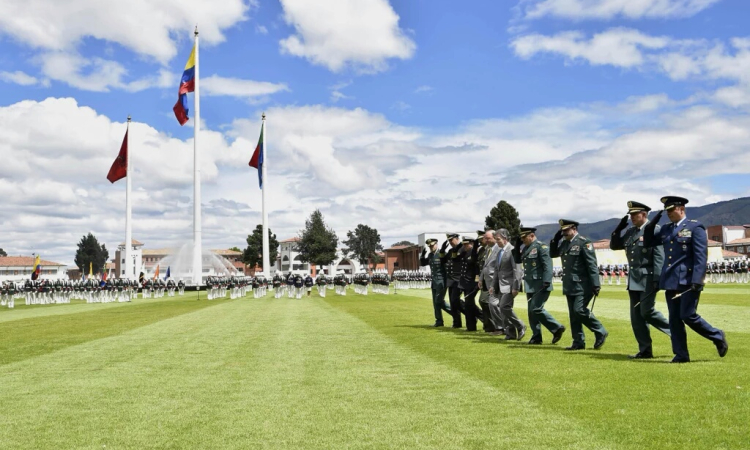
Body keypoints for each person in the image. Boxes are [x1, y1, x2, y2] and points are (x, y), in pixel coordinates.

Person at [643, 196, 728, 363]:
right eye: (666, 211)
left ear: (681, 209)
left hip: (688, 281)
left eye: (671, 210)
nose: (669, 213)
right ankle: (681, 355)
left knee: (688, 315)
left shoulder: (695, 227)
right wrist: (653, 222)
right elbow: (648, 242)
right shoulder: (666, 229)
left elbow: (700, 256)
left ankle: (717, 335)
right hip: (671, 280)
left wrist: (698, 279)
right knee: (674, 320)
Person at [610, 201, 671, 359]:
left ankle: (674, 331)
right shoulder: (631, 232)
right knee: (636, 317)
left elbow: (659, 256)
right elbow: (615, 246)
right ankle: (645, 351)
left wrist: (658, 279)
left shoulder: (654, 230)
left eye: (634, 215)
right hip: (634, 279)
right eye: (630, 215)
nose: (631, 218)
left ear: (644, 214)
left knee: (647, 311)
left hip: (649, 277)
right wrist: (618, 230)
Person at [550, 219, 608, 350]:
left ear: (574, 228)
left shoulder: (584, 242)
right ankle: (578, 341)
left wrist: (596, 284)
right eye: (562, 231)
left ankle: (600, 330)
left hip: (583, 284)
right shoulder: (565, 244)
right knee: (573, 314)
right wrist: (555, 240)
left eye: (566, 230)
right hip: (570, 284)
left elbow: (591, 264)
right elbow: (553, 254)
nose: (564, 233)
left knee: (579, 310)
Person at [515, 227, 565, 345]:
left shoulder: (541, 247)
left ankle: (556, 327)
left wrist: (547, 281)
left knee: (536, 309)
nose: (522, 240)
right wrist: (517, 247)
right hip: (530, 284)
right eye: (521, 238)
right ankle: (536, 336)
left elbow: (547, 265)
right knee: (531, 312)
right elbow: (517, 261)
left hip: (541, 284)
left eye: (524, 237)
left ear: (531, 235)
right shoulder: (527, 248)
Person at [490, 229, 525, 340]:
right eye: (495, 239)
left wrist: (516, 286)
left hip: (510, 286)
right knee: (503, 310)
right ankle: (510, 333)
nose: (497, 242)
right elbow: (497, 270)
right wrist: (492, 285)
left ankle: (520, 325)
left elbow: (517, 270)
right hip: (500, 286)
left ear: (505, 238)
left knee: (504, 306)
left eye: (498, 239)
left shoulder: (513, 250)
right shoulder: (499, 252)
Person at [477, 231, 504, 335]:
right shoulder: (488, 249)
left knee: (495, 304)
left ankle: (502, 328)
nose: (486, 240)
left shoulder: (499, 249)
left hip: (496, 282)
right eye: (485, 238)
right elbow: (485, 266)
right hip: (488, 282)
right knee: (490, 304)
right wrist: (480, 279)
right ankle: (497, 327)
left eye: (488, 238)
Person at [419, 238, 451, 327]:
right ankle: (439, 321)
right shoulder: (430, 255)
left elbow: (446, 265)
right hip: (434, 282)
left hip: (442, 281)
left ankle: (455, 313)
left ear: (436, 244)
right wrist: (422, 256)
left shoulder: (441, 253)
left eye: (432, 246)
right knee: (435, 302)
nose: (431, 247)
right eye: (430, 246)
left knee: (438, 301)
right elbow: (423, 264)